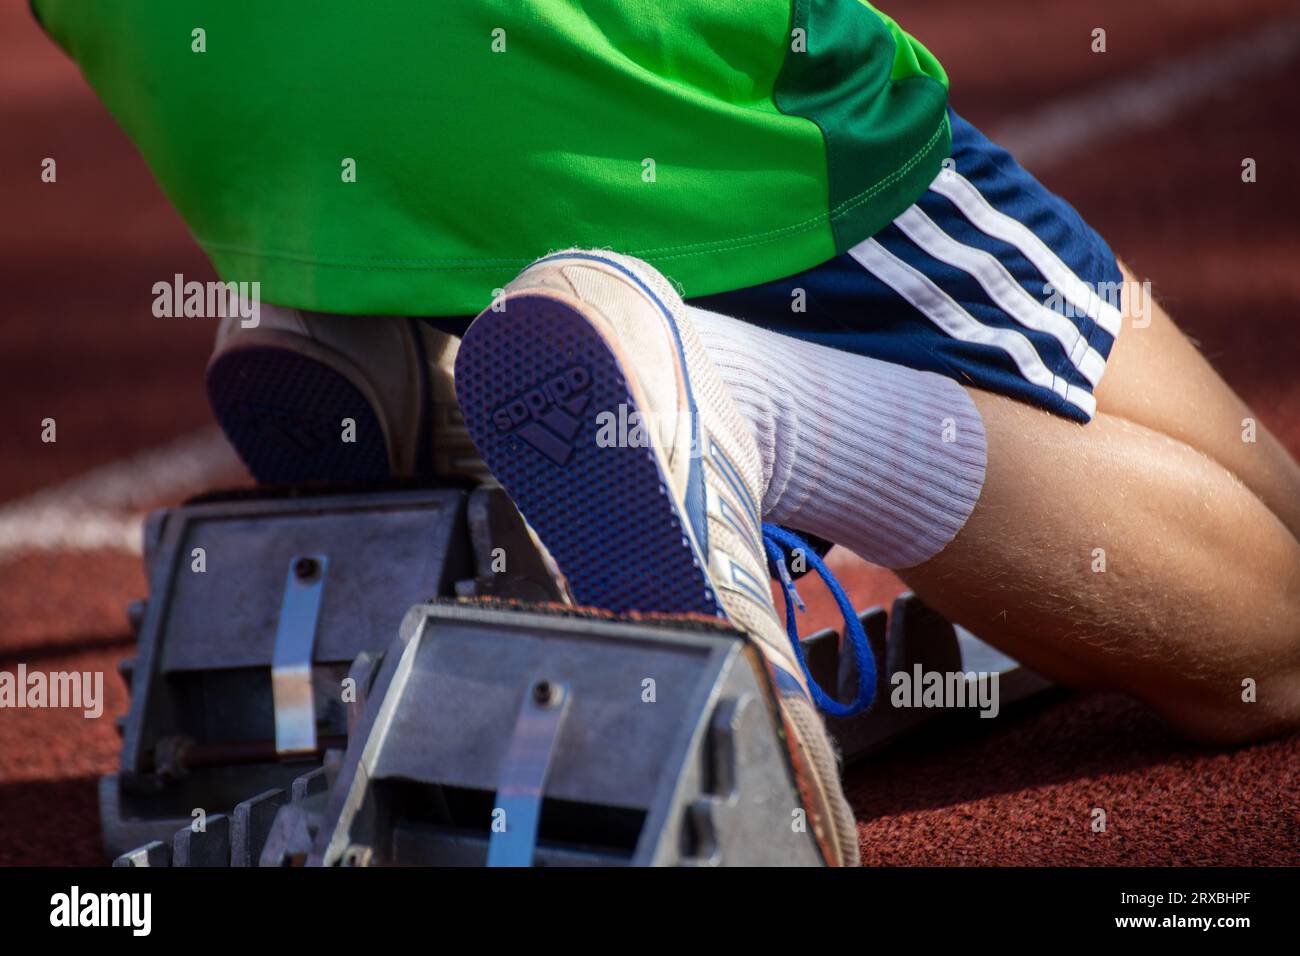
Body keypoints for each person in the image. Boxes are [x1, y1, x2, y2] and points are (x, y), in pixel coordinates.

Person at [34, 2, 1300, 867]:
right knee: (1274, 625)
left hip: (240, 122)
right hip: (614, 93)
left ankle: (401, 341)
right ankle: (712, 387)